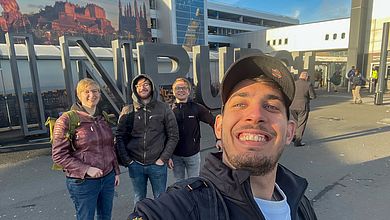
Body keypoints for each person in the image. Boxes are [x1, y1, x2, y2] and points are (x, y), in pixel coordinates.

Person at [128, 55, 317, 220]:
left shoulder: (301, 205)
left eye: (271, 106)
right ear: (220, 126)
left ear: (290, 132)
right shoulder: (184, 208)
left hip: (191, 154)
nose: (256, 114)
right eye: (240, 104)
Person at [52, 78, 120, 220]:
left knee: (105, 216)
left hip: (107, 177)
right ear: (79, 95)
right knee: (85, 217)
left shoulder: (102, 118)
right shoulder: (66, 120)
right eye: (86, 91)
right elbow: (58, 155)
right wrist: (87, 169)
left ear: (100, 94)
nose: (91, 95)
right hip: (83, 181)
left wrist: (116, 171)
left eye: (95, 91)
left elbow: (109, 147)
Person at [115, 74, 179, 205]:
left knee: (160, 199)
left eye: (145, 84)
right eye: (138, 85)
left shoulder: (163, 108)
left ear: (151, 87)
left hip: (157, 164)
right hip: (135, 164)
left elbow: (173, 135)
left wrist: (163, 159)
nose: (142, 88)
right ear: (134, 89)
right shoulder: (128, 110)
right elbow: (119, 137)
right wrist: (128, 161)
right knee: (139, 199)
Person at [170, 77, 222, 181]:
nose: (181, 90)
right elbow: (163, 133)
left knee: (193, 183)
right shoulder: (168, 110)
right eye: (178, 88)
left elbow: (214, 122)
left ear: (189, 91)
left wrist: (219, 139)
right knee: (179, 184)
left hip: (192, 155)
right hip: (175, 156)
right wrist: (166, 155)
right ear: (173, 91)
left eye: (184, 88)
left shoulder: (196, 108)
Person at [290, 71, 316, 147]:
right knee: (301, 123)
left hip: (293, 106)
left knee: (295, 122)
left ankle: (293, 137)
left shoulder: (294, 83)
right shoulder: (308, 84)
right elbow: (313, 96)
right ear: (306, 77)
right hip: (303, 106)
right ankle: (298, 141)